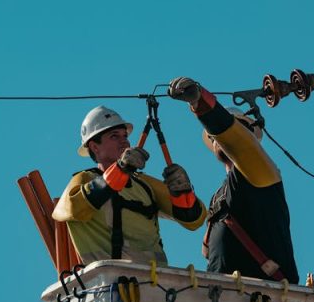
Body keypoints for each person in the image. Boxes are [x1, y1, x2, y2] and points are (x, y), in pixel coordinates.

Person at [167, 77, 299, 284]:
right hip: (221, 296)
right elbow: (209, 250)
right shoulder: (219, 196)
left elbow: (236, 142)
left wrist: (200, 101)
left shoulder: (263, 172)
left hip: (266, 295)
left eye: (218, 134)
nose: (217, 139)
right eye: (213, 137)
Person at [52, 105, 207, 265]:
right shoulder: (84, 179)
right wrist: (118, 171)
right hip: (110, 281)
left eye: (125, 135)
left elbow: (193, 220)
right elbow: (71, 208)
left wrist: (183, 192)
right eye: (114, 136)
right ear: (94, 147)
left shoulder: (143, 184)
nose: (124, 141)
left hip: (157, 281)